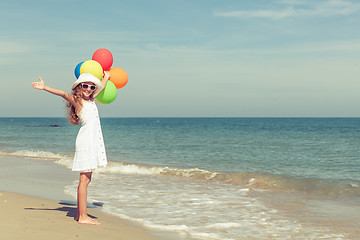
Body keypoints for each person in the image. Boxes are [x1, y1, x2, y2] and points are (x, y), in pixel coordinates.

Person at [31, 71, 111, 225]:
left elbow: (99, 90)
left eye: (91, 87)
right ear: (79, 87)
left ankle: (80, 215)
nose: (89, 89)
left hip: (91, 141)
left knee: (86, 180)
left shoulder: (92, 99)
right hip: (86, 141)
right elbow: (62, 93)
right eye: (85, 86)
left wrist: (105, 79)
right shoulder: (77, 100)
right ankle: (82, 217)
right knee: (84, 180)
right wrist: (45, 87)